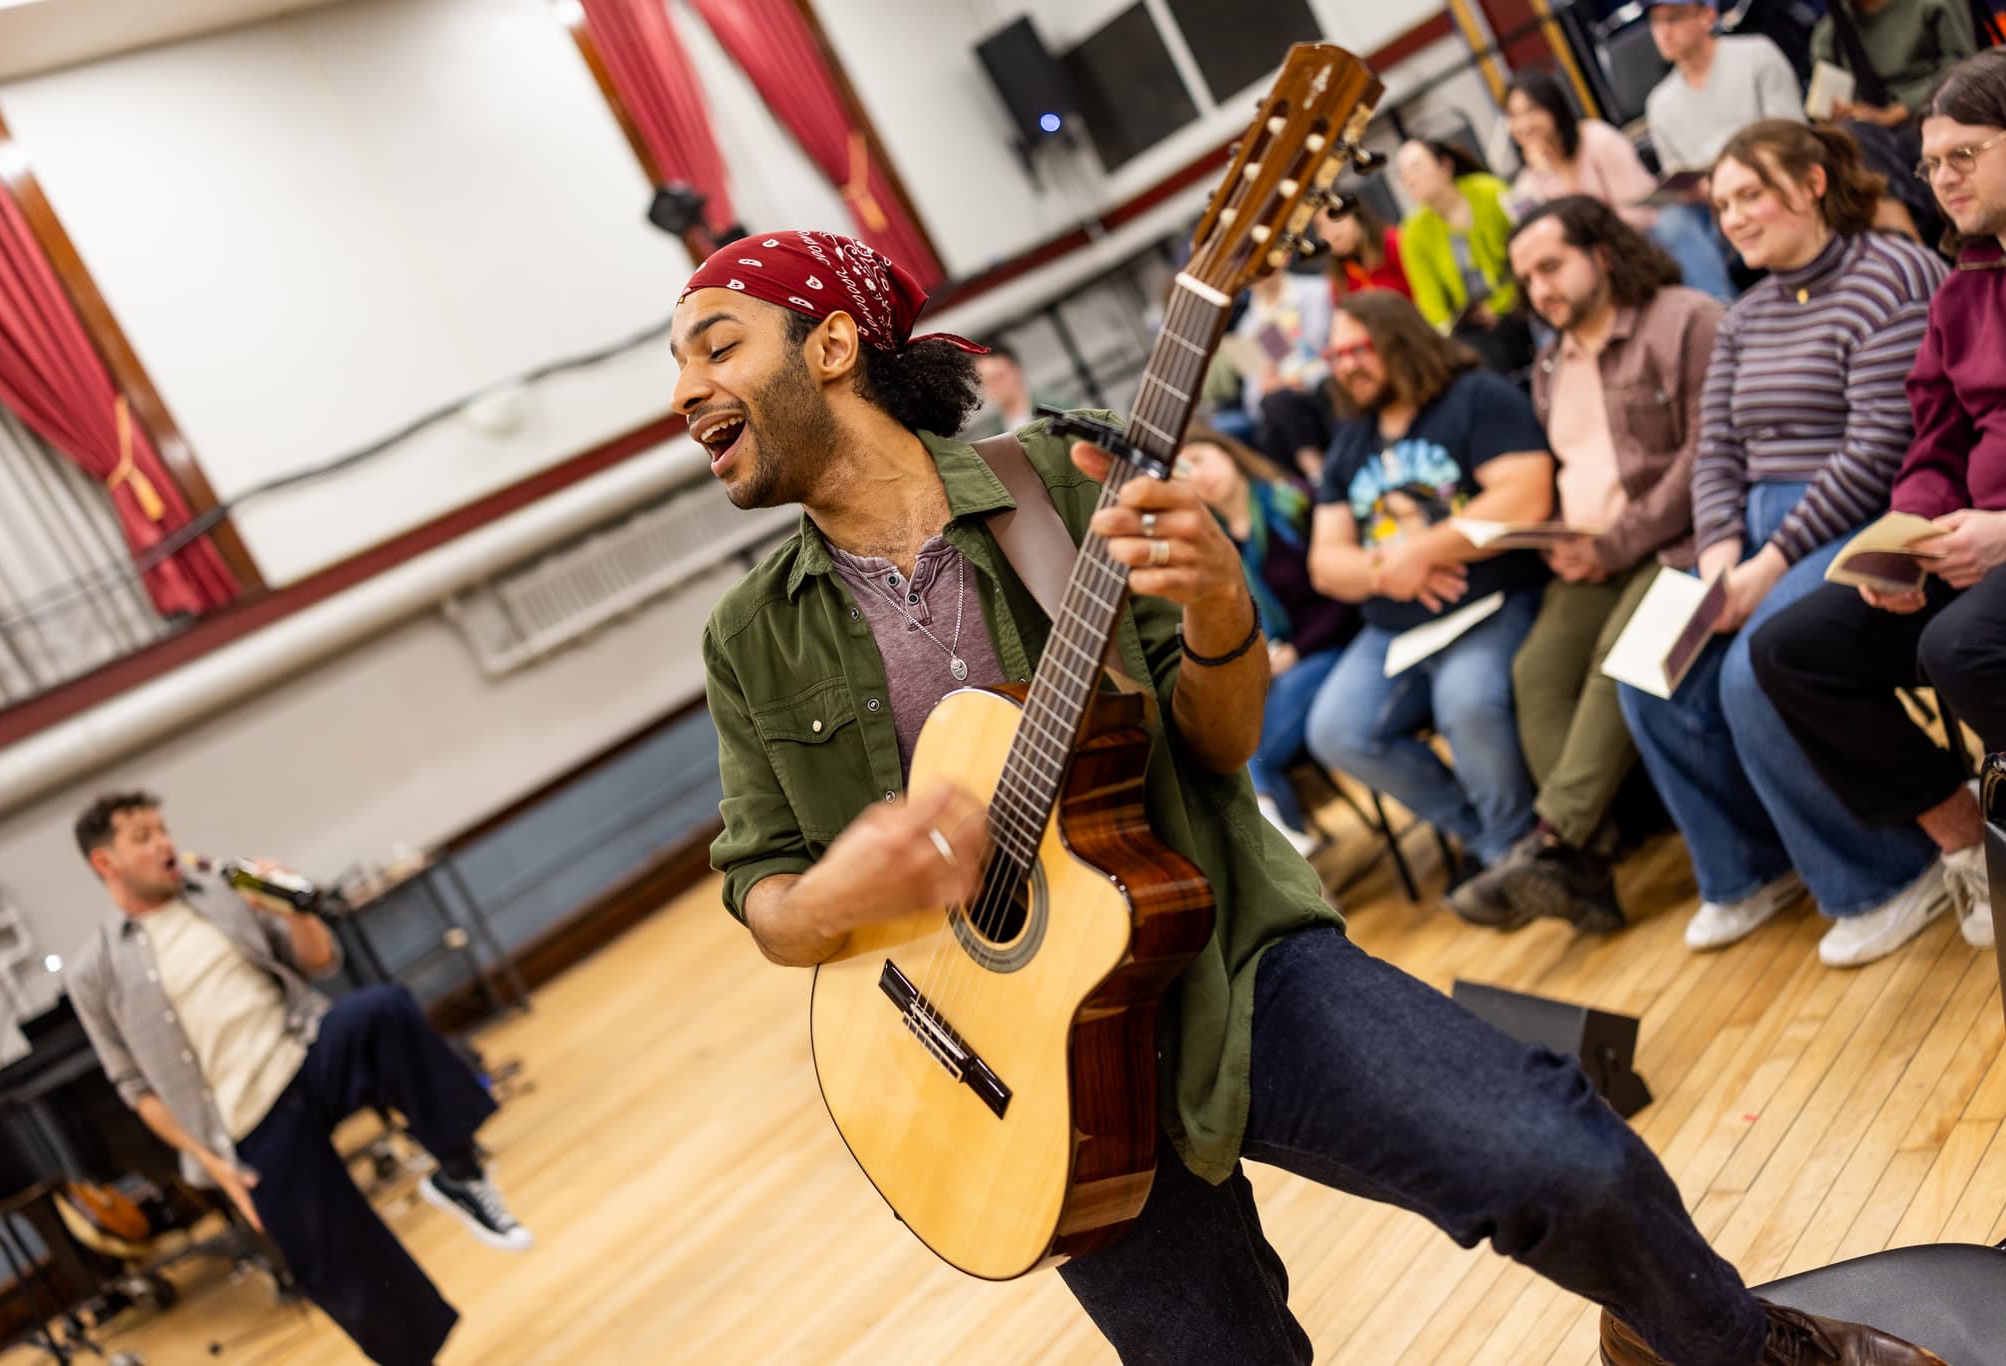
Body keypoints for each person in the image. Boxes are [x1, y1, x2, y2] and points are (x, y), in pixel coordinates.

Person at [683, 226, 1942, 1366]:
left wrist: (1221, 607)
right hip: (1022, 1078)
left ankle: (1728, 1348)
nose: (684, 390)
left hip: (1228, 960)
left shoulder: (1054, 484)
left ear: (833, 345)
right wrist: (832, 895)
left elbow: (1219, 738)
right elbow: (766, 894)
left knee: (1561, 1158)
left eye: (715, 345)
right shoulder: (748, 637)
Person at [1616, 120, 1952, 968]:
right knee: (1648, 675)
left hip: (1859, 518)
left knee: (1753, 670)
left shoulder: (1891, 273)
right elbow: (1716, 450)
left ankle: (1886, 874)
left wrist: (1769, 563)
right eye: (1722, 204)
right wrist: (1720, 550)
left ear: (1811, 184)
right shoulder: (1746, 313)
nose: (1732, 217)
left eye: (1750, 195)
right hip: (1748, 528)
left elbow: (1877, 448)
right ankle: (1752, 868)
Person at [64, 793, 530, 1366]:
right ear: (105, 863)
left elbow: (320, 960)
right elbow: (134, 1087)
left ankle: (459, 1171)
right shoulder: (95, 971)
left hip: (305, 1055)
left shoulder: (219, 891)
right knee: (343, 1263)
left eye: (163, 829)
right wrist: (216, 1167)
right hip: (248, 1125)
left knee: (382, 1011)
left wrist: (294, 908)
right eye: (143, 836)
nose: (164, 843)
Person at [1750, 50, 2006, 953]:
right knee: (1793, 649)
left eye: (1965, 155)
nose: (1944, 178)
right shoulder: (1964, 289)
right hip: (1969, 545)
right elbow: (1935, 440)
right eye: (1932, 164)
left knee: (1959, 645)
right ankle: (1969, 843)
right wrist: (1904, 539)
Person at [1450, 196, 1725, 931]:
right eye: (1526, 278)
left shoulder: (1685, 319)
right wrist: (1557, 540)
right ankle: (1587, 869)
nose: (1539, 289)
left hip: (1685, 543)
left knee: (1618, 659)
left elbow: (1707, 457)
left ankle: (1555, 842)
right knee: (1534, 673)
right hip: (1592, 556)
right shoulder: (1549, 363)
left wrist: (1612, 543)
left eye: (1551, 266)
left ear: (1602, 254)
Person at [1298, 289, 1551, 899]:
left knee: (1468, 702)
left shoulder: (1476, 398)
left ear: (1399, 338)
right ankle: (1493, 842)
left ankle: (1515, 849)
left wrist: (1424, 551)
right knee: (1334, 730)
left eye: (1357, 350)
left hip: (1492, 602)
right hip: (1394, 627)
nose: (1345, 367)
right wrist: (1388, 571)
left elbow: (1525, 497)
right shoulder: (1351, 442)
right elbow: (1326, 564)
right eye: (1334, 356)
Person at [1178, 426, 1360, 854]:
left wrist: (1297, 650)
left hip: (1336, 643)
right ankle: (1280, 842)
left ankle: (1279, 850)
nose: (1196, 475)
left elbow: (1346, 594)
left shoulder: (1291, 503)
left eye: (1199, 459)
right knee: (1222, 734)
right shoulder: (1214, 543)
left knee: (1245, 747)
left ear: (1227, 452)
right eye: (1182, 472)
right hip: (1278, 665)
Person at [1504, 70, 1738, 301]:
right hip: (1598, 260)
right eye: (1513, 116)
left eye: (1531, 111)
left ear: (1554, 109)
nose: (1523, 125)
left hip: (1644, 234)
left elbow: (1638, 212)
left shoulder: (1597, 139)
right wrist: (1548, 172)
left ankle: (1719, 304)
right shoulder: (1529, 182)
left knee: (1672, 223)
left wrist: (1565, 174)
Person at [1393, 138, 1535, 374]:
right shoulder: (1411, 233)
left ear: (1445, 166)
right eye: (1402, 175)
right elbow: (1430, 303)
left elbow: (1530, 246)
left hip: (1521, 300)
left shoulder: (1490, 191)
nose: (1410, 179)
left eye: (1416, 167)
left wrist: (1499, 307)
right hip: (1473, 328)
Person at [1645, 1, 1809, 177]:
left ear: (1707, 16)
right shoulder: (1658, 104)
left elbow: (1793, 136)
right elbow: (1678, 177)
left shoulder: (1757, 55)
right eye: (1655, 22)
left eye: (1673, 19)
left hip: (1776, 176)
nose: (1663, 32)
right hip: (1711, 191)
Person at [1230, 266, 1338, 480]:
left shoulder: (1318, 291)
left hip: (1322, 384)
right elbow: (1252, 399)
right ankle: (1315, 471)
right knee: (1275, 406)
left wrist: (1301, 379)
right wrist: (1265, 386)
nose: (1254, 274)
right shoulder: (1247, 328)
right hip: (1285, 404)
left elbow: (1332, 348)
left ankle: (1316, 474)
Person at [1812, 0, 1975, 131]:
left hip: (1937, 112)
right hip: (1870, 132)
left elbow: (1963, 71)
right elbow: (1825, 110)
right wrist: (1835, 114)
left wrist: (1894, 113)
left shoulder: (1933, 5)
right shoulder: (1830, 33)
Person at [1314, 196, 1412, 299]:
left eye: (1336, 219)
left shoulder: (1395, 244)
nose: (1332, 234)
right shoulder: (1339, 278)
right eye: (1321, 227)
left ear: (1357, 216)